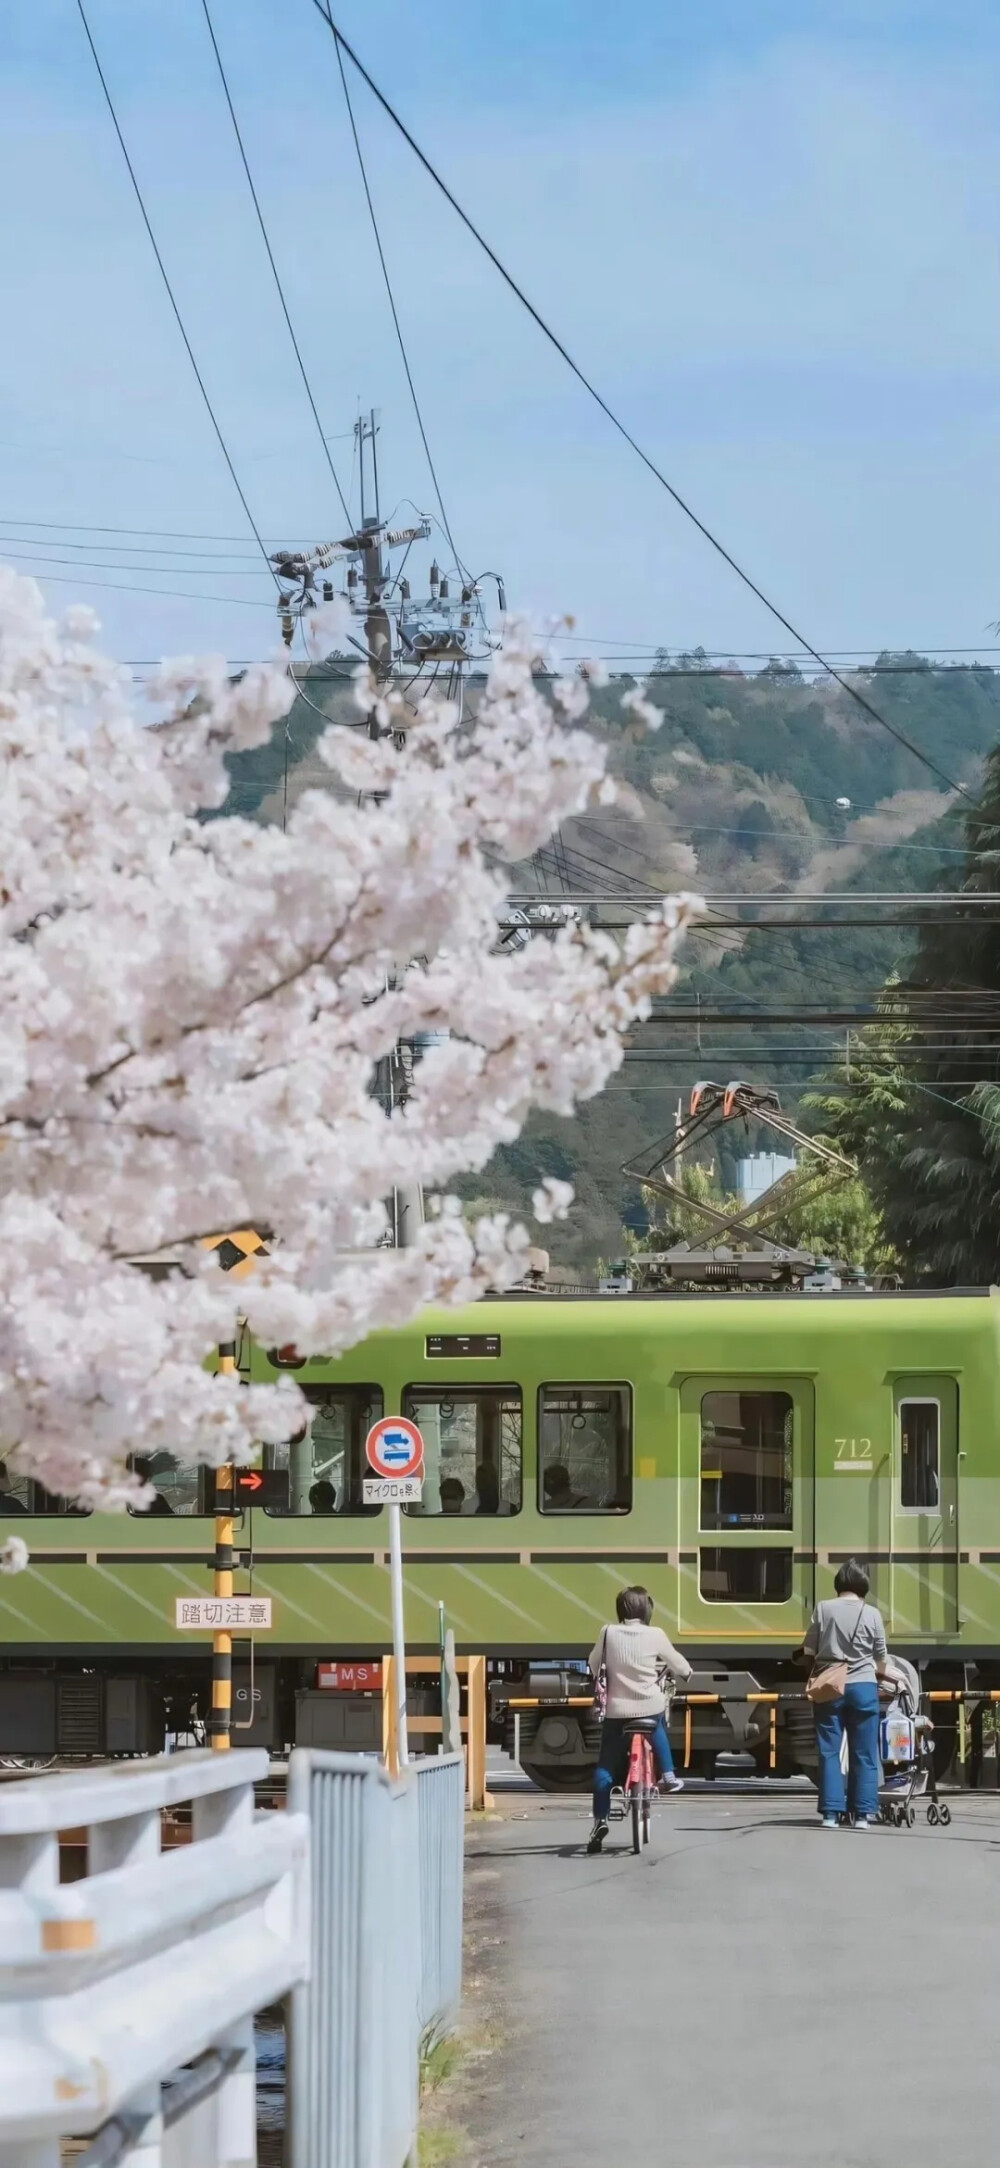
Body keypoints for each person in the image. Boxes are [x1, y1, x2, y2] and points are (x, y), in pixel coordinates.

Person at [586, 1586, 692, 1853]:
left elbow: (592, 1662)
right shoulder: (655, 1634)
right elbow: (678, 1663)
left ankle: (600, 1820)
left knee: (606, 1766)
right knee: (657, 1723)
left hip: (616, 1711)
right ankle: (668, 1775)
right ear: (647, 1609)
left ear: (621, 1609)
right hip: (648, 1706)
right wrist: (687, 1672)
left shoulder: (608, 1632)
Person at [803, 1558, 889, 1829]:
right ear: (864, 1584)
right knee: (864, 1752)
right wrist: (881, 1673)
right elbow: (881, 1656)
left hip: (831, 1686)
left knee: (829, 1750)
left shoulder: (823, 1608)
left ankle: (831, 1814)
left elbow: (809, 1651)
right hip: (864, 1686)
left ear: (839, 1583)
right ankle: (862, 1816)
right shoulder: (872, 1613)